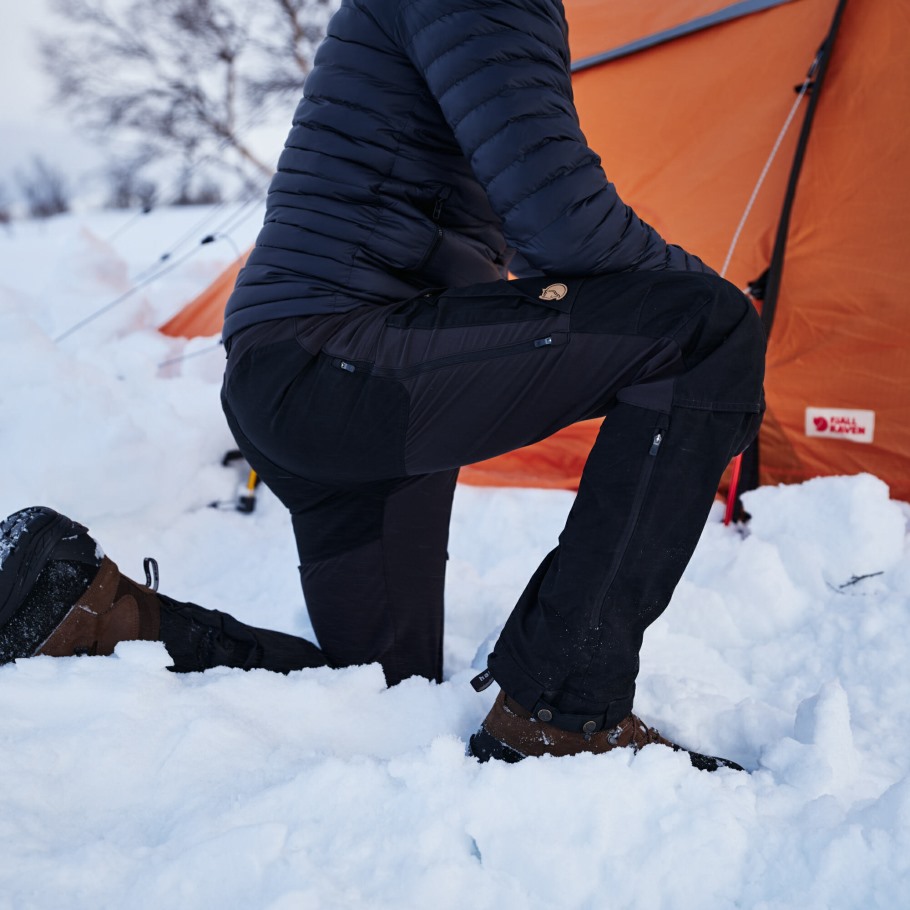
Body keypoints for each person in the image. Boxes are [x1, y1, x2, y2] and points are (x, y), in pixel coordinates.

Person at [0, 0, 764, 770]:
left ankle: (98, 615)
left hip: (305, 378)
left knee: (379, 698)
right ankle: (562, 712)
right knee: (709, 329)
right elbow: (564, 227)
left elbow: (540, 225)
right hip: (344, 363)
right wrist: (710, 307)